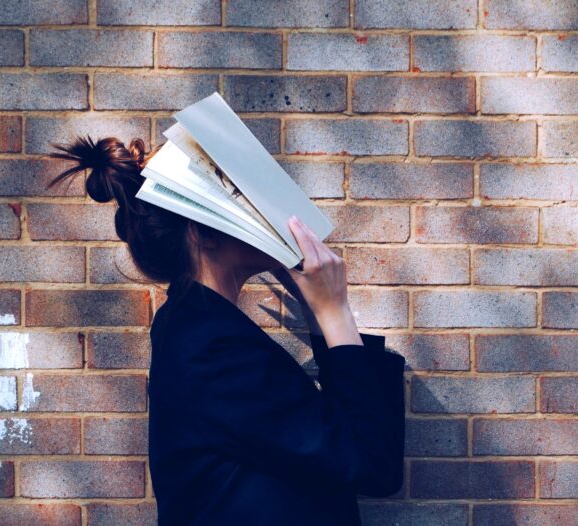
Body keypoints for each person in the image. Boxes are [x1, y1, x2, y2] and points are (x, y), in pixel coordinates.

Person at [46, 135, 406, 525]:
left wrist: (319, 313)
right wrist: (335, 311)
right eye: (241, 201)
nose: (264, 213)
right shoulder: (209, 349)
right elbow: (371, 463)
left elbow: (341, 448)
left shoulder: (199, 330)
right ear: (204, 232)